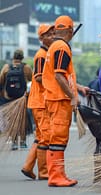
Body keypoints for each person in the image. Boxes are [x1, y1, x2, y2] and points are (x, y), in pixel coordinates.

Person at [42, 15, 79, 187]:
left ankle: (57, 174)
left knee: (55, 137)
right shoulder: (62, 48)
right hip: (59, 98)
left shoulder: (54, 47)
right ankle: (56, 176)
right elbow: (59, 75)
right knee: (58, 137)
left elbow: (62, 75)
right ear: (71, 31)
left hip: (53, 97)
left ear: (56, 30)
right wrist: (72, 96)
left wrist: (78, 89)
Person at [21, 24, 55, 180]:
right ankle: (44, 172)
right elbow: (39, 77)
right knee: (46, 137)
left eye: (54, 33)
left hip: (39, 101)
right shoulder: (41, 55)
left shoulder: (47, 53)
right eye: (48, 35)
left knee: (40, 136)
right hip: (40, 102)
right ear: (41, 38)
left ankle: (28, 167)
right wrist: (55, 80)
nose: (52, 36)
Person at [0, 49, 32, 150]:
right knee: (23, 119)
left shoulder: (6, 67)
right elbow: (33, 80)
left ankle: (13, 142)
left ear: (13, 57)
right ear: (22, 57)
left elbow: (1, 81)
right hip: (21, 98)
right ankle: (22, 142)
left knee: (11, 119)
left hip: (8, 98)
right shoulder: (26, 67)